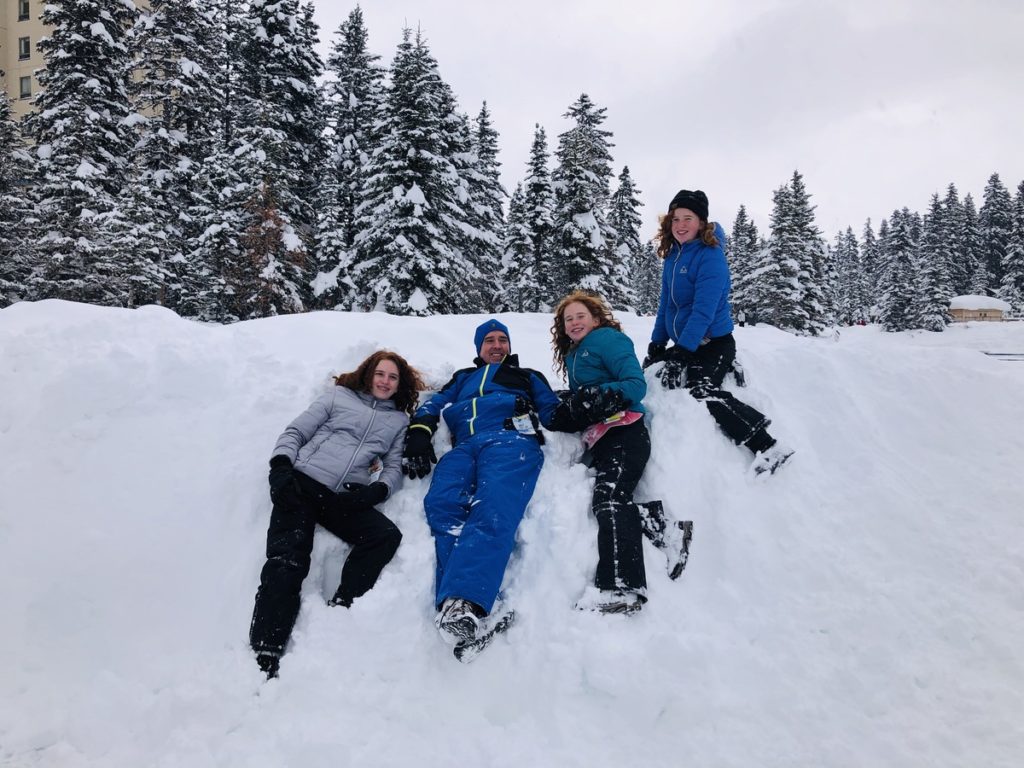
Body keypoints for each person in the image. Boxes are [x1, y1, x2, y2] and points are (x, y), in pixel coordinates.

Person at [249, 350, 424, 678]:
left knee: (385, 535)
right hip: (301, 485)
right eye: (380, 374)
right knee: (289, 560)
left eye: (393, 377)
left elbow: (394, 465)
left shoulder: (398, 420)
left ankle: (344, 601)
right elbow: (295, 432)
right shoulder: (338, 397)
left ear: (400, 384)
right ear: (368, 373)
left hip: (342, 498)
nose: (385, 382)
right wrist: (281, 467)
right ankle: (266, 648)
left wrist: (378, 490)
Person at [401, 319, 564, 646]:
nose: (497, 345)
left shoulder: (527, 376)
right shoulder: (462, 378)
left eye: (503, 339)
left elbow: (552, 410)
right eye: (489, 340)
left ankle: (468, 600)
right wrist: (419, 433)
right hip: (464, 446)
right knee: (442, 506)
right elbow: (433, 405)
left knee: (493, 507)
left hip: (510, 441)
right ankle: (456, 606)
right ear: (479, 348)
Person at [551, 291, 693, 615]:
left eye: (580, 316)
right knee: (612, 496)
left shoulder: (607, 340)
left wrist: (596, 395)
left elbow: (634, 384)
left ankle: (622, 587)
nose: (573, 322)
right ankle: (668, 529)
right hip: (605, 438)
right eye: (567, 319)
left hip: (625, 431)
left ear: (596, 319)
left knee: (609, 497)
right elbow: (589, 392)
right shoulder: (575, 353)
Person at [645, 190, 793, 475]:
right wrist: (657, 343)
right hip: (687, 342)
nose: (681, 224)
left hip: (714, 343)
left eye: (688, 218)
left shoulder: (711, 257)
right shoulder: (673, 257)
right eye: (676, 218)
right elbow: (666, 304)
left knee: (700, 390)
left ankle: (768, 445)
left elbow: (704, 311)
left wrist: (683, 351)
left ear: (702, 223)